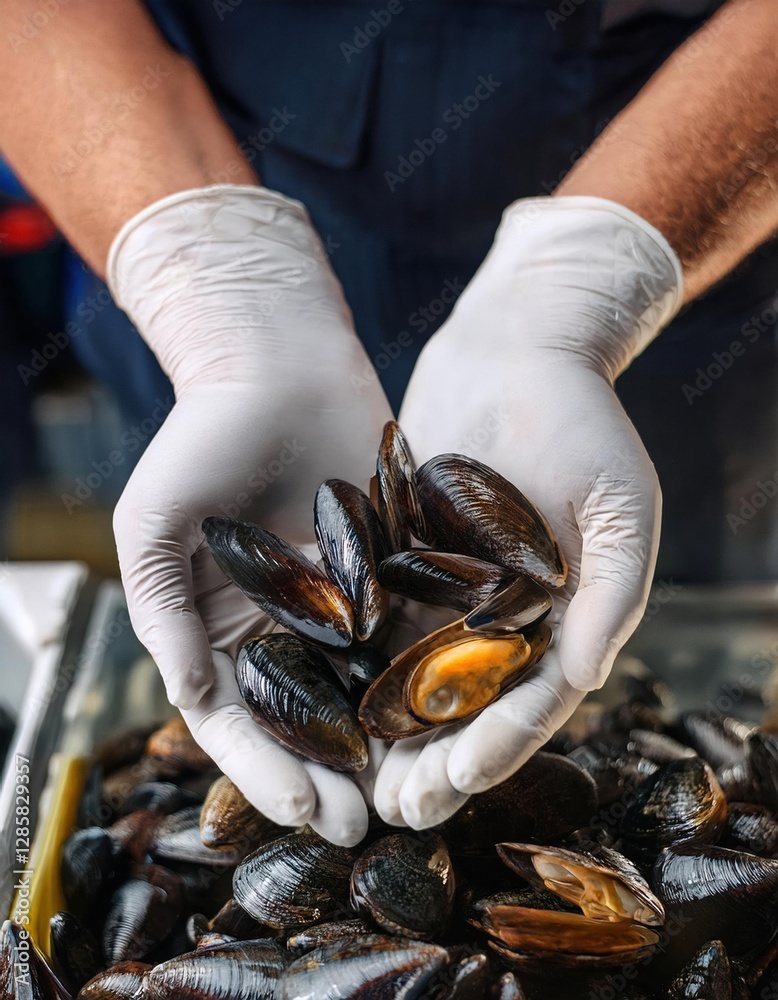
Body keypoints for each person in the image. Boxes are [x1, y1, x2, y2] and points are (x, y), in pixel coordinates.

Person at [3, 0, 778, 846]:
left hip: (698, 202)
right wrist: (204, 271)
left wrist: (601, 264)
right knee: (211, 557)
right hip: (200, 154)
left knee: (660, 627)